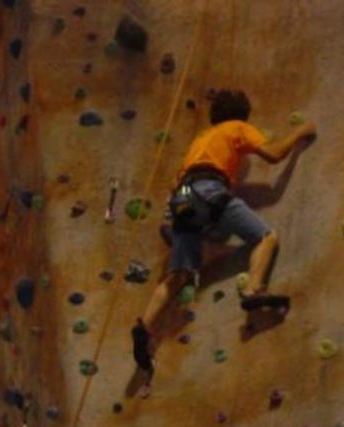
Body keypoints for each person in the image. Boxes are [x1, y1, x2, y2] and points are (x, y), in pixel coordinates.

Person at [132, 89, 316, 373]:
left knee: (178, 275)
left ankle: (144, 328)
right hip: (210, 188)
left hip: (183, 194)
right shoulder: (237, 128)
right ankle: (254, 290)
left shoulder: (200, 139)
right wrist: (300, 132)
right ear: (242, 114)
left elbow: (174, 183)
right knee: (267, 237)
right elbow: (274, 154)